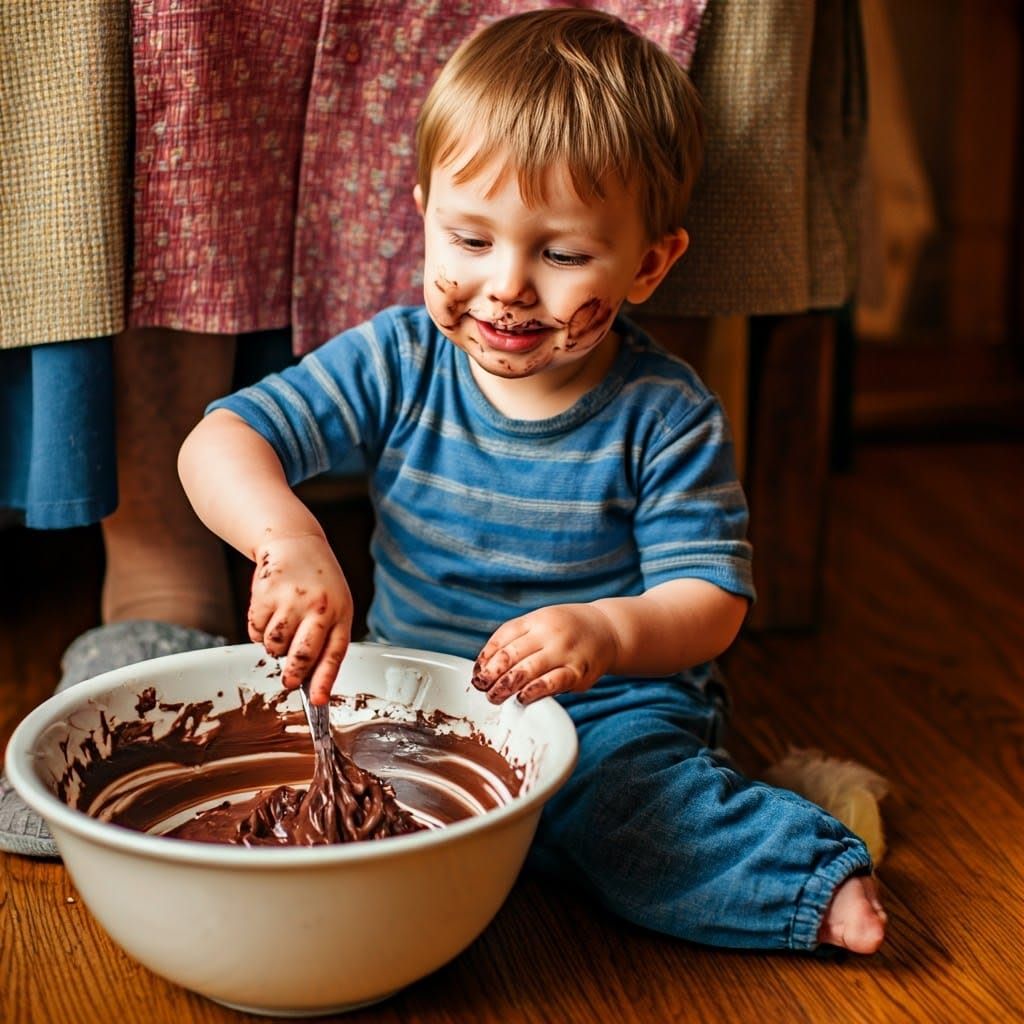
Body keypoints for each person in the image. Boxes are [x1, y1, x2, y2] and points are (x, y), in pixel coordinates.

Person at [178, 9, 886, 954]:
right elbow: (219, 440)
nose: (507, 286)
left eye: (560, 255)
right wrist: (290, 542)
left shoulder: (664, 415)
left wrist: (607, 630)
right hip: (419, 698)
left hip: (608, 707)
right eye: (471, 241)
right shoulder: (397, 361)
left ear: (648, 263)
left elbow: (710, 601)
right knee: (331, 788)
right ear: (423, 211)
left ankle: (807, 872)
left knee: (629, 814)